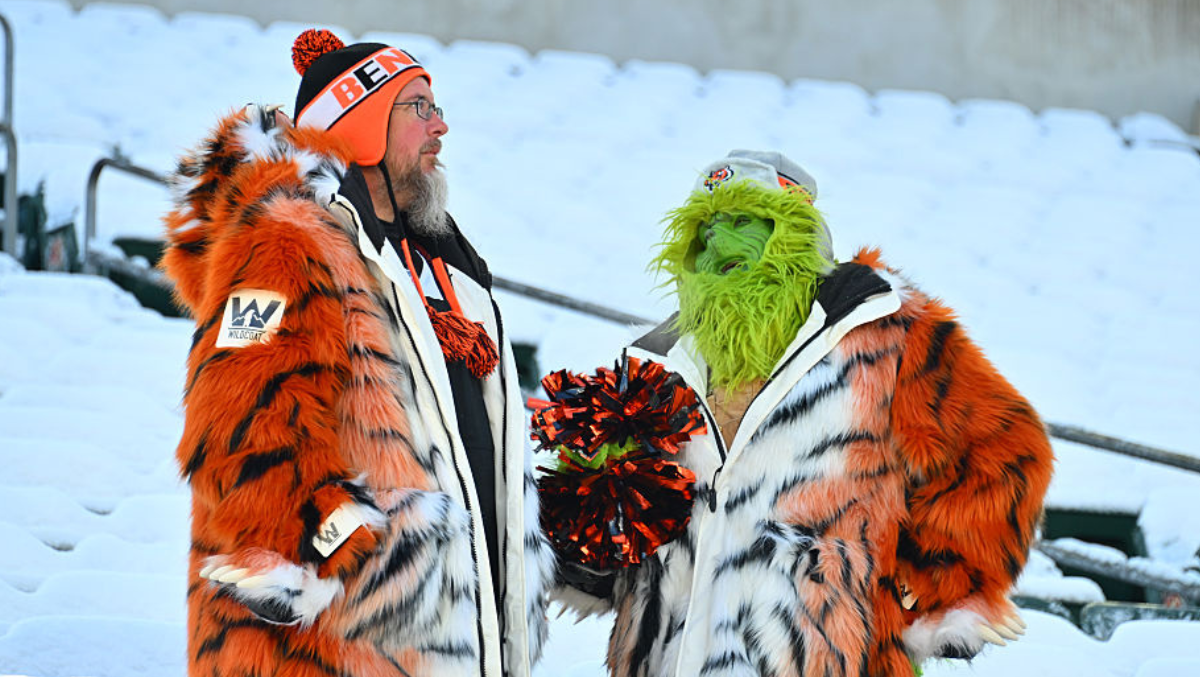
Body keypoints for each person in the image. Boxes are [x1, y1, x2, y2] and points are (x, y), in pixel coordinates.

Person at [551, 150, 1054, 676]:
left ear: (795, 235)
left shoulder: (882, 331)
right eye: (705, 230)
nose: (718, 243)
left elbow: (1007, 450)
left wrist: (929, 585)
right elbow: (618, 554)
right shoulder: (657, 366)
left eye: (742, 222)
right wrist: (585, 529)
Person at [161, 29, 554, 677]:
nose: (440, 126)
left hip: (438, 644)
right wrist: (349, 545)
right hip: (331, 650)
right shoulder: (284, 243)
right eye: (419, 107)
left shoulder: (434, 262)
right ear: (361, 123)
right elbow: (236, 432)